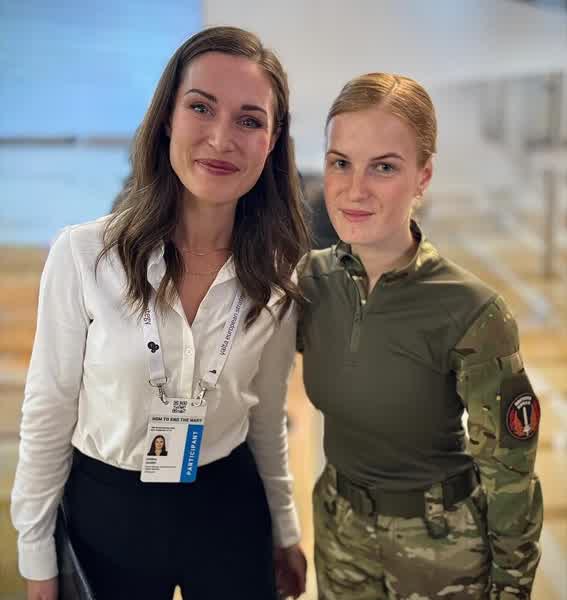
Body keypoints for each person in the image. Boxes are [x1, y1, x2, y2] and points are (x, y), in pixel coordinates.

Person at [11, 26, 308, 600]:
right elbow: (48, 411)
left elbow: (267, 418)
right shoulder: (84, 256)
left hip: (227, 507)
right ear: (167, 117)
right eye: (201, 107)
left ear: (272, 141)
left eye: (249, 120)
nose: (221, 138)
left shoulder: (275, 273)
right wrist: (37, 558)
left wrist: (286, 531)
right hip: (107, 514)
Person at [297, 73, 543, 599]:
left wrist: (511, 587)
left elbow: (510, 478)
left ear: (423, 176)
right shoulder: (310, 283)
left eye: (384, 167)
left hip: (442, 552)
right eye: (341, 162)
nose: (355, 189)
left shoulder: (471, 310)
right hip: (340, 537)